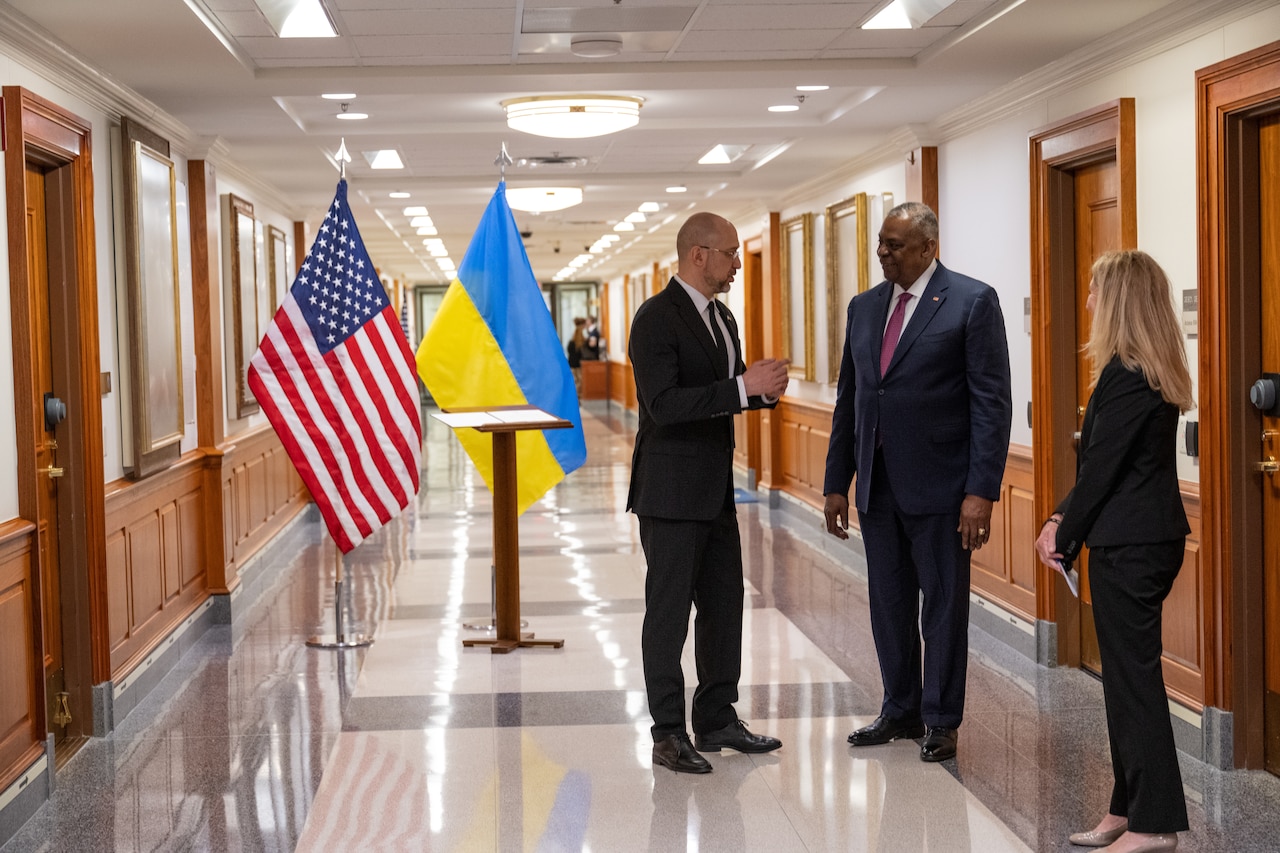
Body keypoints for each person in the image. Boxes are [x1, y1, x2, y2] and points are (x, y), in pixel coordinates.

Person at [822, 201, 1012, 763]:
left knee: (944, 606)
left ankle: (940, 718)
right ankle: (899, 708)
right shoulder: (864, 307)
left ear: (929, 248)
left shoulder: (971, 302)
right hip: (878, 489)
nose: (883, 252)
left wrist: (981, 491)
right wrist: (838, 481)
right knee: (889, 605)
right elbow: (850, 401)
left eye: (895, 244)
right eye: (881, 242)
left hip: (945, 491)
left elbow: (990, 404)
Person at [1035, 250, 1193, 853]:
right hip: (1133, 539)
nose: (1088, 301)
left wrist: (1062, 533)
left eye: (1096, 290)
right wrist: (1059, 518)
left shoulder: (1130, 376)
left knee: (1134, 685)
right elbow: (1102, 468)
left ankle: (1155, 826)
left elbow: (1103, 469)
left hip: (1134, 545)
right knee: (1124, 682)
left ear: (1119, 299)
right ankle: (1126, 808)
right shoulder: (1133, 371)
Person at [628, 212, 791, 774]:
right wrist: (740, 388)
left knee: (724, 604)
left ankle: (717, 717)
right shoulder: (655, 319)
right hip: (669, 494)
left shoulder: (723, 317)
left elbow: (730, 390)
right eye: (729, 254)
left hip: (716, 492)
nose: (737, 264)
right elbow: (664, 406)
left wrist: (760, 392)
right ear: (698, 255)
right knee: (668, 614)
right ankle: (668, 731)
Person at [566, 317, 586, 395]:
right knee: (579, 382)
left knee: (575, 381)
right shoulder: (581, 340)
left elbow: (569, 350)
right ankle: (577, 397)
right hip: (577, 364)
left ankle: (575, 397)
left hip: (571, 363)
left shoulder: (572, 340)